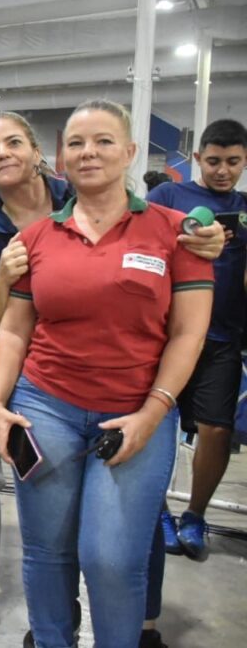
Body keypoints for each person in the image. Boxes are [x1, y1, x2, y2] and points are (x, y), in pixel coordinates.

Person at [0, 99, 213, 648]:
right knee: (46, 551)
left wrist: (153, 412)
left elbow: (187, 334)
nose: (89, 153)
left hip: (137, 410)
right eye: (77, 144)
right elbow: (14, 331)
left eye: (104, 141)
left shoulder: (176, 234)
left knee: (110, 558)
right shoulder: (36, 239)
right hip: (45, 408)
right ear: (59, 160)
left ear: (131, 152)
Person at [148, 118, 247, 559]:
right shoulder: (168, 196)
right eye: (213, 161)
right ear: (197, 159)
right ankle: (156, 512)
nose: (222, 170)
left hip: (222, 339)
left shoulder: (245, 210)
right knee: (158, 426)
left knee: (217, 430)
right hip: (165, 336)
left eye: (233, 161)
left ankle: (195, 515)